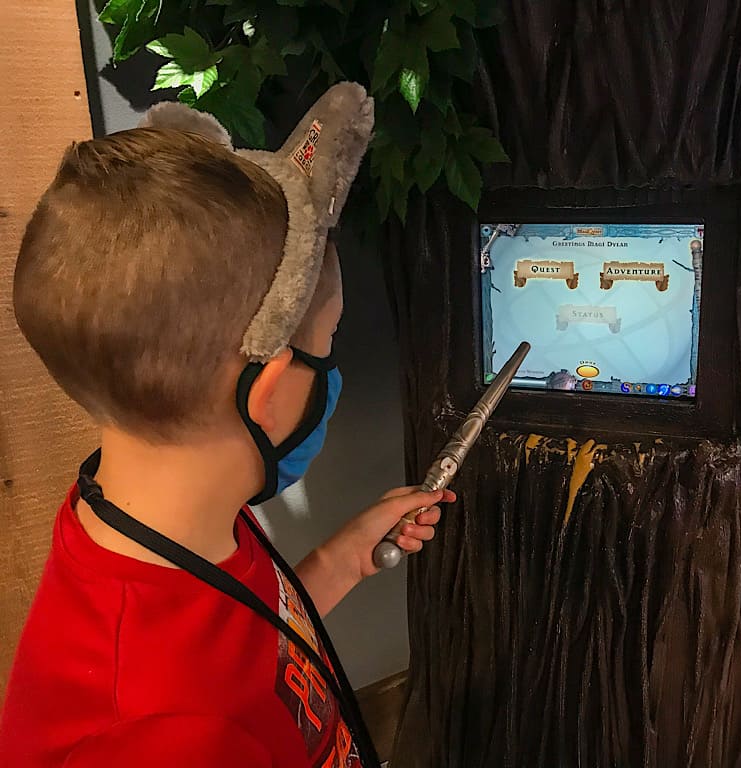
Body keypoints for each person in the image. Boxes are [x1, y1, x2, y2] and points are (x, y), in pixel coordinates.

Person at [0, 85, 442, 767]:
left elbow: (243, 651)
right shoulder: (166, 737)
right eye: (327, 343)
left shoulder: (148, 512)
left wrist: (337, 562)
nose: (330, 369)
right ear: (265, 393)